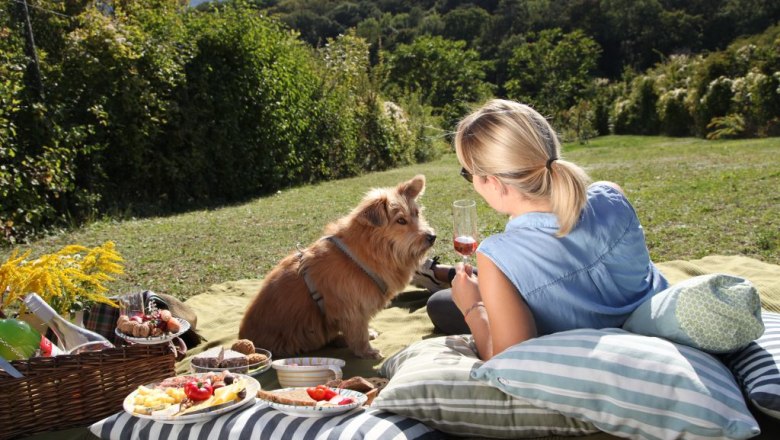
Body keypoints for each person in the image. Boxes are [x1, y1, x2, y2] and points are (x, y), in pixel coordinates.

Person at [418, 99, 669, 361]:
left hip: (600, 349)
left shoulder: (497, 255)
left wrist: (473, 306)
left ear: (492, 182)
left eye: (467, 174)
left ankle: (439, 276)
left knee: (442, 305)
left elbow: (509, 361)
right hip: (651, 318)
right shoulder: (611, 194)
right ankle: (439, 273)